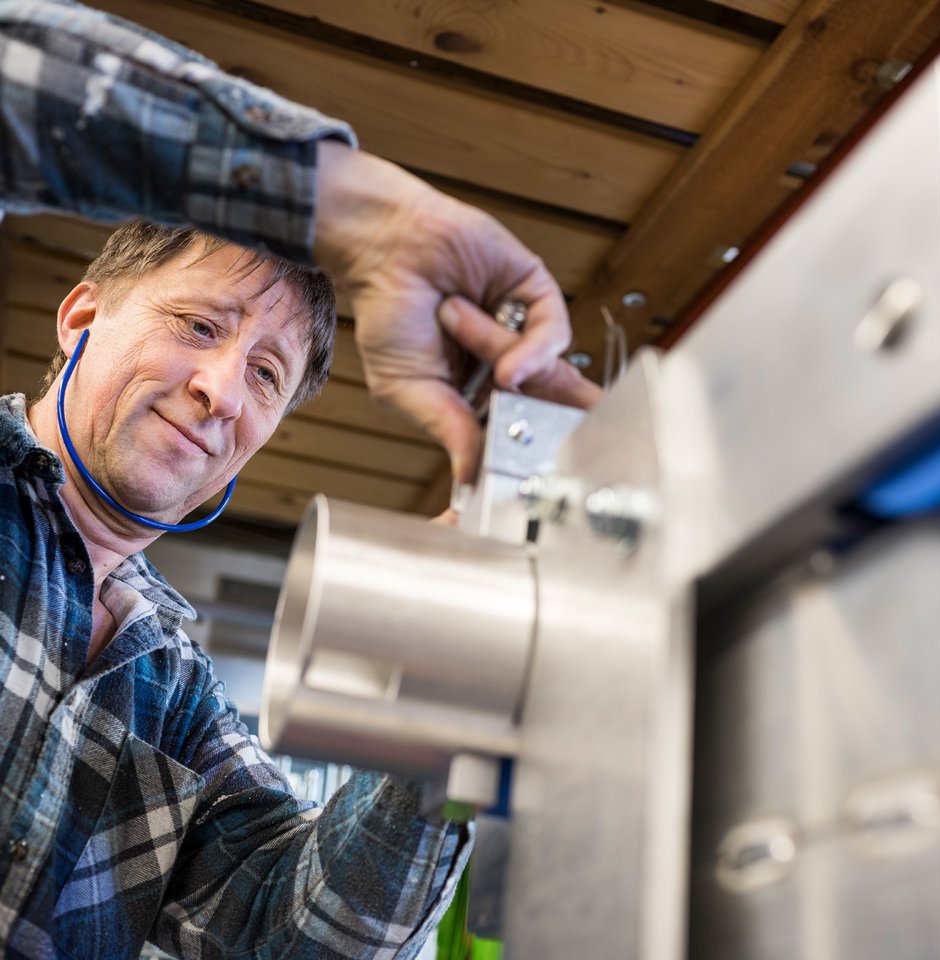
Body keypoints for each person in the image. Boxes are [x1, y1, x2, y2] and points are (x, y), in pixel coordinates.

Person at [0, 2, 600, 958]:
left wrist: (458, 649)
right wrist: (357, 209)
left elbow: (301, 937)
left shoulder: (176, 692)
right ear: (80, 320)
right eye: (199, 325)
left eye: (267, 375)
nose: (220, 389)